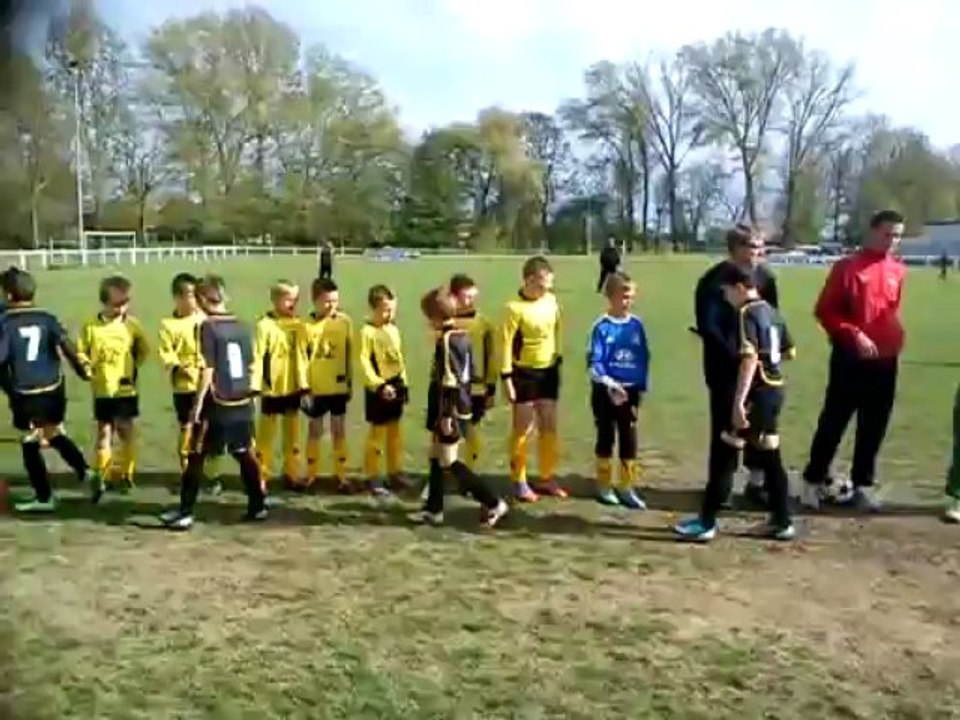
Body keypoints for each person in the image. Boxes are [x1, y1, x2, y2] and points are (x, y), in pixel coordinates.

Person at [675, 263, 796, 542]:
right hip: (774, 391)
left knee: (725, 452)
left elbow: (749, 358)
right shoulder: (771, 311)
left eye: (727, 292)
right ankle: (782, 520)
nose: (725, 298)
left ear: (740, 288)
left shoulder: (745, 313)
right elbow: (788, 352)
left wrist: (739, 402)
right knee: (770, 455)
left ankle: (706, 523)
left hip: (754, 394)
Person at [801, 209, 907, 512]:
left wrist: (894, 337)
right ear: (872, 231)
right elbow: (825, 310)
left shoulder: (898, 270)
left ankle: (862, 484)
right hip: (850, 358)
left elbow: (891, 309)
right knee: (835, 420)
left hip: (885, 360)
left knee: (874, 425)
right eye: (887, 234)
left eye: (897, 235)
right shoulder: (847, 267)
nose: (892, 241)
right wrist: (854, 334)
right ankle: (812, 480)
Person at [160, 274, 266, 530]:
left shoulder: (207, 326)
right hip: (241, 399)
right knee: (244, 453)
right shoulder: (241, 324)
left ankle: (185, 512)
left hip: (216, 401)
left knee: (195, 455)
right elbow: (251, 364)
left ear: (203, 299)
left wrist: (197, 405)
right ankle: (258, 504)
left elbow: (208, 368)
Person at [692, 225, 778, 509]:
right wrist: (738, 357)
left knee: (760, 427)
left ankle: (757, 483)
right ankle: (721, 487)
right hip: (725, 369)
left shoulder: (766, 278)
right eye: (753, 247)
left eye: (761, 247)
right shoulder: (713, 281)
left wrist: (761, 358)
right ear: (736, 249)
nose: (759, 252)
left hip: (758, 370)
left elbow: (771, 320)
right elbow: (709, 327)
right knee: (726, 428)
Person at [0, 268, 98, 512]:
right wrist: (82, 370)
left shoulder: (5, 323)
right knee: (53, 433)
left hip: (26, 391)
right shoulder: (47, 317)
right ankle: (86, 473)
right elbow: (67, 346)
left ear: (9, 296)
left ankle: (44, 497)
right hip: (54, 388)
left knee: (29, 442)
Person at [410, 287, 509, 528]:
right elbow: (470, 372)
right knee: (435, 455)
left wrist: (446, 414)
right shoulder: (461, 335)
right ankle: (434, 509)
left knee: (449, 461)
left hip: (450, 409)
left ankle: (493, 501)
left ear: (434, 317)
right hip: (453, 405)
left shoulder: (447, 340)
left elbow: (450, 381)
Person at [77, 275, 149, 492]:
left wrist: (131, 368)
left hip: (125, 389)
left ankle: (127, 474)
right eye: (117, 304)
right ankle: (104, 475)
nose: (122, 308)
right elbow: (82, 352)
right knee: (104, 433)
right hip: (102, 390)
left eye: (125, 303)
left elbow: (143, 350)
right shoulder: (91, 326)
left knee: (126, 430)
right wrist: (88, 367)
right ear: (104, 302)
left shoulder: (132, 326)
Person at [501, 255, 564, 502]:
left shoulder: (551, 301)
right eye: (541, 285)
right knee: (523, 428)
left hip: (548, 370)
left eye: (548, 285)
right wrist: (506, 378)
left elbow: (557, 329)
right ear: (528, 280)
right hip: (523, 373)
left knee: (549, 424)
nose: (545, 290)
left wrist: (557, 356)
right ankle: (519, 480)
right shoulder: (513, 309)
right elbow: (505, 345)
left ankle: (547, 477)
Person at [587, 272, 650, 509]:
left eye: (630, 296)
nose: (627, 301)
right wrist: (610, 384)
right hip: (606, 390)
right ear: (610, 297)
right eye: (623, 296)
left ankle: (626, 486)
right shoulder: (601, 327)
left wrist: (640, 387)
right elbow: (595, 362)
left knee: (629, 437)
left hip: (630, 392)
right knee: (606, 435)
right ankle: (604, 485)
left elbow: (643, 357)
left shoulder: (637, 325)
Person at [157, 273, 222, 495]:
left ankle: (212, 477)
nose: (194, 300)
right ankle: (187, 473)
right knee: (187, 429)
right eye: (189, 295)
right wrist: (177, 366)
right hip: (185, 388)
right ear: (177, 298)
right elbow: (165, 353)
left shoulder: (207, 319)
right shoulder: (168, 325)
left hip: (210, 385)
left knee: (209, 431)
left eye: (196, 295)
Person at [253, 280, 308, 491]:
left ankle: (291, 473)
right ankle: (261, 475)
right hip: (272, 388)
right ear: (275, 300)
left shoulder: (298, 324)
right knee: (266, 436)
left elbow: (304, 354)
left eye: (296, 299)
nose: (293, 303)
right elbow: (258, 356)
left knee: (292, 435)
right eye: (288, 299)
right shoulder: (264, 325)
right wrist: (255, 383)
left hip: (293, 387)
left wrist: (305, 384)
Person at [301, 277, 353, 492]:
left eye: (335, 301)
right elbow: (302, 358)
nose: (332, 305)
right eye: (326, 301)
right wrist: (304, 388)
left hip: (338, 387)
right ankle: (311, 475)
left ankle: (341, 475)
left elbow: (349, 353)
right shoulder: (305, 326)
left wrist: (349, 381)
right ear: (315, 300)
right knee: (314, 431)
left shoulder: (344, 322)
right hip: (316, 388)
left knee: (339, 431)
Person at [359, 284, 408, 496]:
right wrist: (379, 385)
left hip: (396, 385)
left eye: (392, 309)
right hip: (379, 388)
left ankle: (395, 471)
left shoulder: (393, 330)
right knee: (377, 434)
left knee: (395, 433)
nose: (389, 314)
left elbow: (399, 359)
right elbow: (364, 362)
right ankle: (373, 475)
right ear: (374, 308)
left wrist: (403, 383)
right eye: (385, 310)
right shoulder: (367, 332)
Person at [448, 274, 497, 469]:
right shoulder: (445, 323)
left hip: (475, 388)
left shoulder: (483, 324)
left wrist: (490, 388)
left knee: (470, 429)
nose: (469, 302)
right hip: (450, 386)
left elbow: (491, 358)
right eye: (465, 297)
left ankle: (470, 470)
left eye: (472, 297)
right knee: (447, 430)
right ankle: (446, 469)